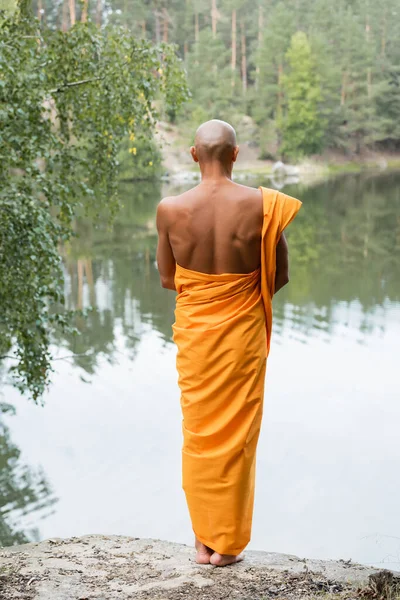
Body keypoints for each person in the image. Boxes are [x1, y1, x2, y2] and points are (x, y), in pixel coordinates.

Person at [156, 119, 301, 567]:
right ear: (235, 155)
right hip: (242, 336)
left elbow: (167, 279)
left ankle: (203, 541)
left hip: (197, 335)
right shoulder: (263, 207)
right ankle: (228, 544)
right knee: (237, 438)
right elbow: (280, 274)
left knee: (199, 436)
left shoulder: (169, 209)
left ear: (193, 154)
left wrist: (208, 296)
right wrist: (239, 302)